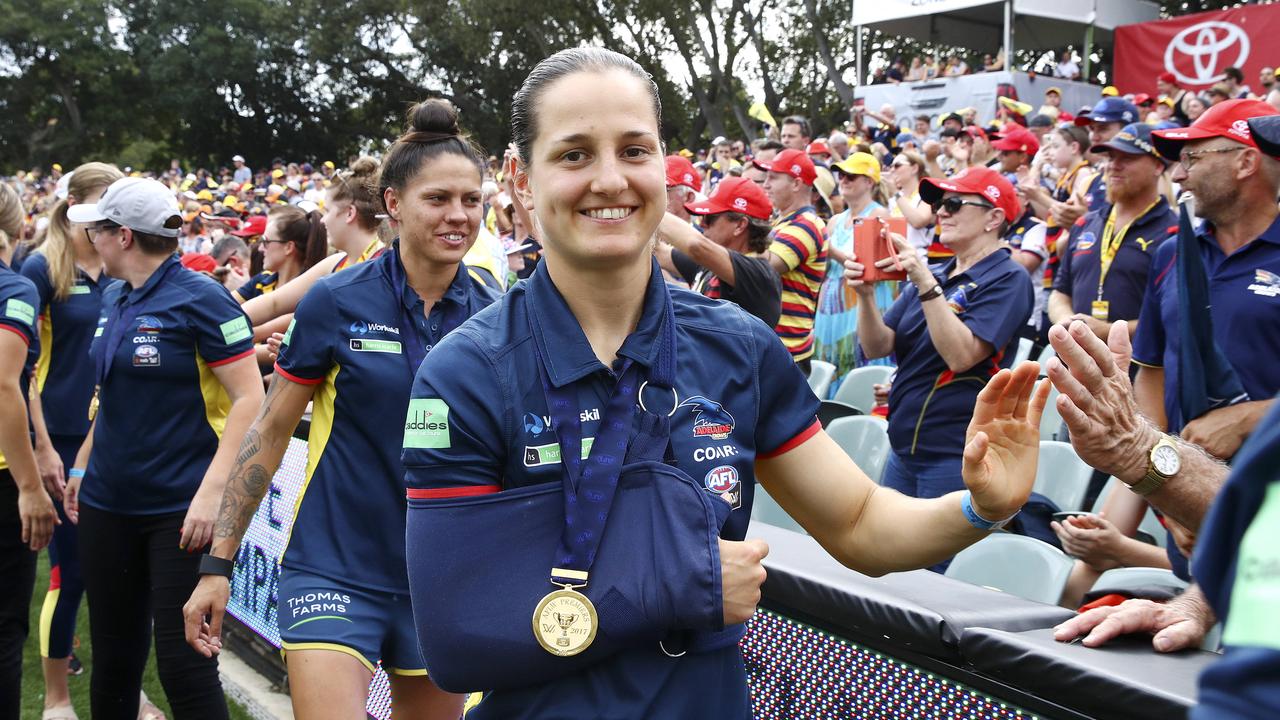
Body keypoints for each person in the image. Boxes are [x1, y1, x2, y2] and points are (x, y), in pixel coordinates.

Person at [401, 46, 1048, 719]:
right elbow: (458, 643)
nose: (610, 179)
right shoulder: (465, 373)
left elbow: (859, 523)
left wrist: (979, 507)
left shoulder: (738, 347)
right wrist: (678, 583)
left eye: (633, 150)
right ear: (520, 178)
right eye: (573, 155)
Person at [182, 99, 498, 720]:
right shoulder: (337, 299)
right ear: (394, 204)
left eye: (471, 199)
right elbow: (270, 432)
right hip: (334, 565)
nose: (458, 215)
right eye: (438, 199)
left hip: (439, 577)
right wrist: (218, 564)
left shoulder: (496, 312)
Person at [60, 177, 263, 719]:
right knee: (115, 661)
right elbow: (112, 396)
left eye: (97, 228)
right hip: (108, 503)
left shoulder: (202, 298)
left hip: (177, 510)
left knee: (184, 665)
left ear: (122, 236)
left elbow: (251, 398)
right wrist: (81, 468)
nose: (89, 237)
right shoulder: (114, 294)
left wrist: (210, 493)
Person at [848, 167, 1034, 525]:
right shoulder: (940, 271)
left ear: (993, 218)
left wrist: (923, 279)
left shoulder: (1010, 277)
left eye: (953, 203)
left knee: (933, 576)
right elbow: (877, 346)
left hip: (956, 452)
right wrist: (866, 296)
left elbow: (962, 356)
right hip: (904, 446)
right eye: (937, 204)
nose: (940, 212)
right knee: (891, 563)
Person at [18, 161, 122, 719]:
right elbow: (23, 369)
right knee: (70, 571)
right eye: (106, 198)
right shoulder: (41, 269)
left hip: (111, 438)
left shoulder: (122, 265)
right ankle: (56, 698)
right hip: (57, 437)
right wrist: (40, 447)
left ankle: (125, 687)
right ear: (77, 202)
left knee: (117, 571)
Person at [1133, 99, 1280, 459]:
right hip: (1182, 498)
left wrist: (1248, 419)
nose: (1178, 175)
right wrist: (1161, 472)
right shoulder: (1172, 252)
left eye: (1191, 159)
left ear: (1246, 162)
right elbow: (1152, 372)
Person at [0, 182, 58, 720]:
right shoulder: (14, 289)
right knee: (4, 626)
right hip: (2, 475)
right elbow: (5, 385)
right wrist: (29, 486)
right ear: (20, 228)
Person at [1049, 123, 1175, 341]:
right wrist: (1068, 323)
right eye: (1110, 157)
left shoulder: (1174, 233)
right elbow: (1060, 292)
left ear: (1158, 166)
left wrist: (1109, 331)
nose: (1114, 166)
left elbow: (1173, 316)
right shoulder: (1085, 224)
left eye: (1127, 158)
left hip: (1134, 369)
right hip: (1074, 365)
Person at [656, 176, 781, 327]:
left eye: (709, 218)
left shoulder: (760, 275)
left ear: (740, 226)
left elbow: (696, 246)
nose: (702, 224)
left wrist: (649, 208)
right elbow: (660, 252)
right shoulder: (710, 266)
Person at [813, 153, 891, 391]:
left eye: (852, 176)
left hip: (859, 301)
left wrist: (824, 245)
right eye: (842, 175)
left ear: (869, 181)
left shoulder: (879, 215)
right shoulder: (835, 220)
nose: (843, 180)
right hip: (830, 303)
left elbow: (868, 266)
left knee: (857, 356)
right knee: (830, 360)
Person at [754, 148, 827, 373]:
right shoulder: (783, 222)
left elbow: (763, 268)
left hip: (786, 352)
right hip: (776, 346)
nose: (765, 184)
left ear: (796, 184)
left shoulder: (807, 223)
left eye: (773, 178)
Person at [231, 206, 327, 303]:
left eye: (266, 241)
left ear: (288, 247)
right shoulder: (262, 280)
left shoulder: (312, 294)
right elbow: (224, 306)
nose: (260, 248)